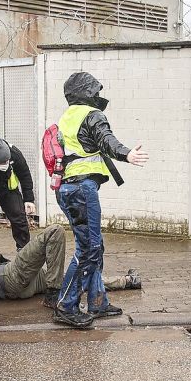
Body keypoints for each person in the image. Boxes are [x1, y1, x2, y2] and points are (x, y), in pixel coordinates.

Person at [52, 72, 148, 329]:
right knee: (88, 250)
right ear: (87, 92)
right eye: (95, 90)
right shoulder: (92, 114)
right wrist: (126, 154)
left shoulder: (67, 116)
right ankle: (66, 305)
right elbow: (106, 140)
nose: (99, 95)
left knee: (94, 246)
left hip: (67, 188)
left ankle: (97, 301)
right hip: (82, 189)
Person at [0, 224, 140, 305]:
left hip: (23, 284)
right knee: (55, 231)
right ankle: (53, 295)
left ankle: (127, 281)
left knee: (69, 281)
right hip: (9, 278)